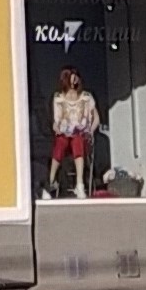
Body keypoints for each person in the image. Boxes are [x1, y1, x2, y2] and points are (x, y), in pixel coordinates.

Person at [46, 66, 99, 199]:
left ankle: (79, 184)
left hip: (81, 135)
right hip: (65, 135)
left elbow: (96, 118)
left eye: (76, 77)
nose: (75, 80)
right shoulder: (58, 98)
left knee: (77, 140)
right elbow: (56, 121)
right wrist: (56, 127)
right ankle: (51, 181)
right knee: (60, 142)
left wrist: (90, 130)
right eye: (72, 77)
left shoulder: (86, 97)